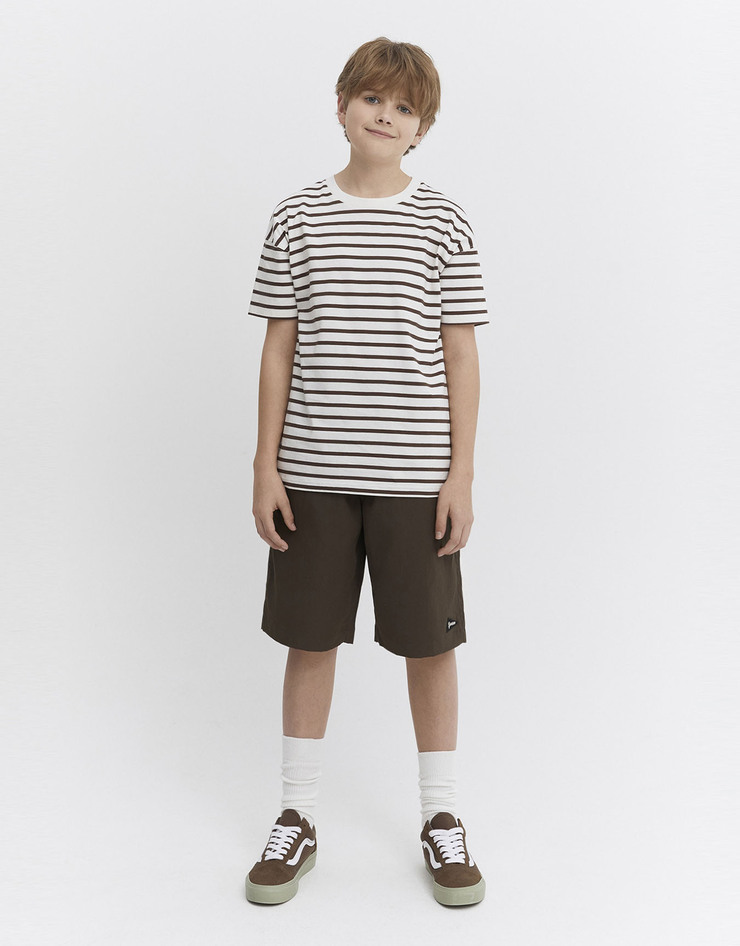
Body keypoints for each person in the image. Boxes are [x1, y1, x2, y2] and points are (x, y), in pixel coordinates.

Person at [244, 36, 490, 907]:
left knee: (430, 645)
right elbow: (279, 347)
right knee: (310, 640)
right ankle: (297, 815)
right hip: (312, 473)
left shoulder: (443, 220)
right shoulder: (296, 216)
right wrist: (265, 465)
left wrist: (460, 476)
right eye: (373, 99)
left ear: (422, 128)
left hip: (416, 479)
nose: (386, 116)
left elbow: (460, 354)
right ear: (343, 106)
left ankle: (442, 816)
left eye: (404, 107)